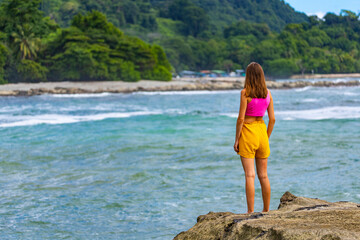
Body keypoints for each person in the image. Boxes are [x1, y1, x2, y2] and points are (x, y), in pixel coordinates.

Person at [233, 62, 275, 214]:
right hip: (262, 133)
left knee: (250, 175)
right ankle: (266, 210)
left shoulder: (245, 93)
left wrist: (237, 139)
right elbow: (272, 119)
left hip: (248, 133)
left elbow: (240, 119)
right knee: (263, 175)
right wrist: (266, 137)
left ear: (248, 76)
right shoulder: (268, 93)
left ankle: (250, 212)